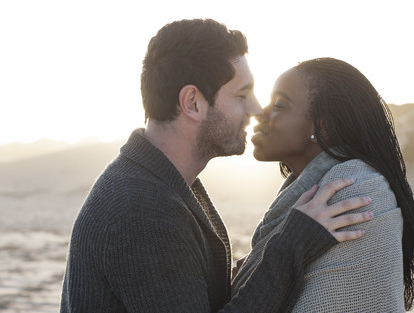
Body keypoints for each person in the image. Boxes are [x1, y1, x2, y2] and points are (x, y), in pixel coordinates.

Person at [60, 20, 374, 312]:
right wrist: (292, 245)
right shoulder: (142, 211)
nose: (255, 109)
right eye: (242, 94)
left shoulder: (163, 186)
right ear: (193, 103)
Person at [232, 57, 414, 311]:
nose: (259, 112)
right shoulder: (309, 193)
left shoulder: (354, 189)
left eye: (279, 104)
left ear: (322, 127)